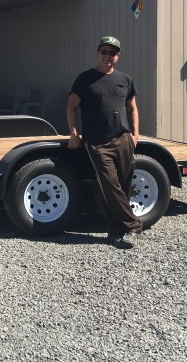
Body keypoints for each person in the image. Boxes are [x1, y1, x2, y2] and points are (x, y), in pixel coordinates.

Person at [66, 36, 142, 249]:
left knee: (124, 186)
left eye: (113, 52)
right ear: (98, 53)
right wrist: (74, 133)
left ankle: (116, 231)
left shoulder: (124, 79)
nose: (108, 56)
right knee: (110, 185)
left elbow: (132, 108)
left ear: (118, 56)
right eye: (104, 51)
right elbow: (71, 106)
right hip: (97, 143)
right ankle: (133, 225)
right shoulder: (85, 79)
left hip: (123, 139)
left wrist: (135, 134)